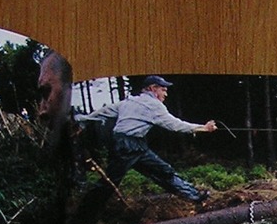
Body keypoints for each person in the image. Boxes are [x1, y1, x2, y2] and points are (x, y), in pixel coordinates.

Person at [81, 75, 216, 203]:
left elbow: (103, 112)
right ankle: (79, 222)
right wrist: (203, 128)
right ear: (152, 88)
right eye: (163, 90)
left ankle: (195, 196)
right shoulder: (153, 104)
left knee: (164, 171)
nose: (166, 94)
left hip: (132, 144)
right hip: (127, 146)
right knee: (107, 184)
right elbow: (175, 125)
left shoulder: (128, 102)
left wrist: (83, 120)